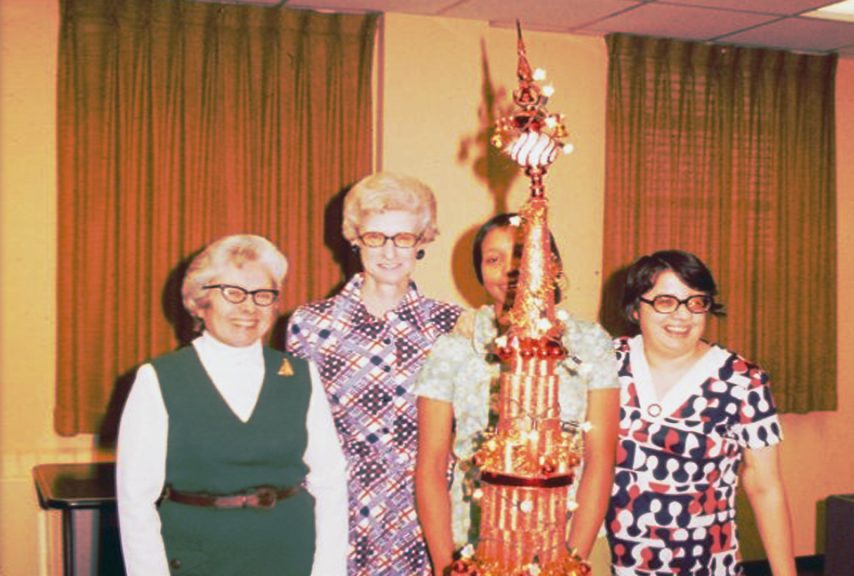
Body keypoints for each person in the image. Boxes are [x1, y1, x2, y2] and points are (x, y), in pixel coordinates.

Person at [117, 234, 347, 576]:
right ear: (200, 302)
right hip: (200, 560)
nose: (249, 307)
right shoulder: (159, 379)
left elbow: (330, 482)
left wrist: (328, 570)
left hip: (290, 556)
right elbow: (135, 501)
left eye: (262, 295)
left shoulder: (301, 376)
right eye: (233, 293)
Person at [414, 212, 620, 575]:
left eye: (523, 257)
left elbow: (600, 459)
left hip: (565, 540)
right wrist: (447, 565)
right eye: (493, 259)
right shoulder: (454, 349)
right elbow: (430, 466)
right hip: (474, 548)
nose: (511, 270)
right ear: (480, 272)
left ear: (551, 264)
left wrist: (571, 559)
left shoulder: (590, 344)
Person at [287, 172, 462, 576]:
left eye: (403, 238)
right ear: (354, 238)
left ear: (422, 242)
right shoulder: (310, 325)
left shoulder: (451, 325)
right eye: (374, 237)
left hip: (424, 518)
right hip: (337, 513)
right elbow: (299, 431)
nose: (389, 252)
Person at [604, 250, 796, 576]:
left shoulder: (742, 380)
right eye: (665, 301)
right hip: (613, 562)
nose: (682, 316)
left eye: (696, 302)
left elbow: (764, 486)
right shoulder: (607, 363)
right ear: (636, 308)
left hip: (704, 565)